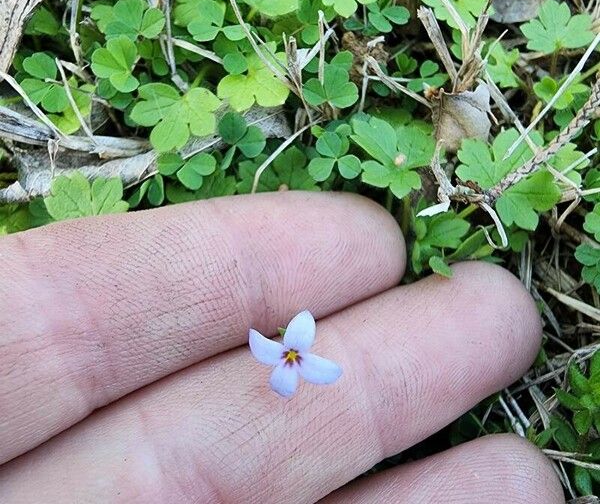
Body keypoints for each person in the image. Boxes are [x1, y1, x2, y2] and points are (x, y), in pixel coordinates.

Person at [0, 192, 565, 503]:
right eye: (289, 356)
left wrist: (281, 351)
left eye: (292, 357)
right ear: (286, 351)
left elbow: (283, 351)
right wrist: (277, 350)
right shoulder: (283, 354)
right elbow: (273, 350)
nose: (291, 359)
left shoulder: (292, 354)